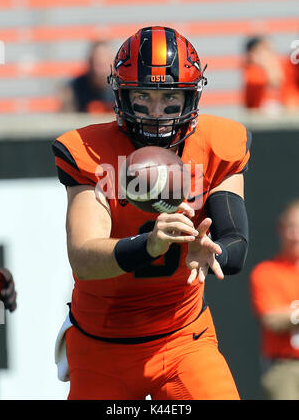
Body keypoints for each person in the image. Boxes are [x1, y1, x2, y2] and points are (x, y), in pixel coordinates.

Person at [52, 26, 251, 400]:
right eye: (143, 96)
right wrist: (150, 245)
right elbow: (84, 257)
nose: (156, 113)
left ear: (191, 96)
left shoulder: (215, 143)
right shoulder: (89, 152)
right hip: (102, 344)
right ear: (121, 95)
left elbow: (235, 242)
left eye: (170, 98)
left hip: (184, 338)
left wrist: (215, 249)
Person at [250, 200, 299, 400]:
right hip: (285, 367)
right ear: (281, 230)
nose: (295, 235)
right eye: (291, 227)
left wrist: (290, 314)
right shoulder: (266, 272)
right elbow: (272, 319)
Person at [59, 40, 114, 114]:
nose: (99, 69)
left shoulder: (120, 89)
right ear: (90, 62)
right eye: (97, 63)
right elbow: (66, 118)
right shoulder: (74, 88)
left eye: (103, 63)